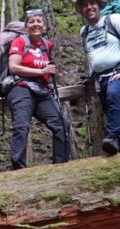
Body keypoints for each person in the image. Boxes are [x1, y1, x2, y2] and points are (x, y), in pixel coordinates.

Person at [75, 0, 120, 155]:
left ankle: (111, 136)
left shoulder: (114, 19)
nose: (89, 7)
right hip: (101, 79)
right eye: (85, 5)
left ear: (99, 6)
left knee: (113, 94)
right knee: (115, 114)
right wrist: (91, 77)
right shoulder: (84, 32)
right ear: (81, 10)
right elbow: (93, 55)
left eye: (92, 3)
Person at [5, 9, 71, 169]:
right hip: (20, 87)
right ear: (26, 26)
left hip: (41, 90)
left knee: (61, 124)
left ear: (45, 26)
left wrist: (48, 73)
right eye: (31, 21)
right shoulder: (20, 42)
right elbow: (13, 67)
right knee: (22, 126)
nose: (35, 24)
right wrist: (41, 71)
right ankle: (18, 169)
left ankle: (60, 166)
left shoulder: (47, 45)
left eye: (39, 21)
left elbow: (47, 69)